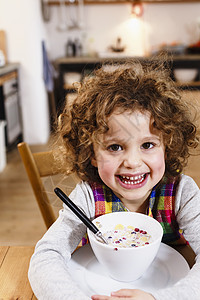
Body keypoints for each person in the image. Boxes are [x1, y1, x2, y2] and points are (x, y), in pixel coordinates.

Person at [28, 57, 200, 300]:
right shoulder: (87, 197)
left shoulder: (182, 192)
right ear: (92, 153)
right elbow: (46, 255)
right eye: (115, 147)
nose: (132, 161)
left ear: (168, 147)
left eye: (148, 144)